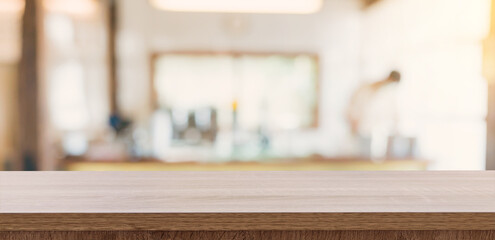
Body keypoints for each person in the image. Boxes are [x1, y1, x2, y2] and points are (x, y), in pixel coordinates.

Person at [346, 71, 401, 158]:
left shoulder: (387, 95)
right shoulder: (365, 89)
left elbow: (394, 115)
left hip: (376, 137)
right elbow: (352, 111)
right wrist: (354, 123)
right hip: (361, 134)